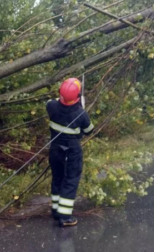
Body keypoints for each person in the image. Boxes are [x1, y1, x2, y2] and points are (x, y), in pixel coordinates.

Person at [46, 78, 94, 227]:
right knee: (70, 180)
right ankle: (65, 216)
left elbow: (53, 102)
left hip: (55, 150)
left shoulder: (51, 106)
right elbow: (89, 130)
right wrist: (80, 107)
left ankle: (56, 211)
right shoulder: (81, 114)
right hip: (71, 152)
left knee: (57, 178)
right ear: (77, 97)